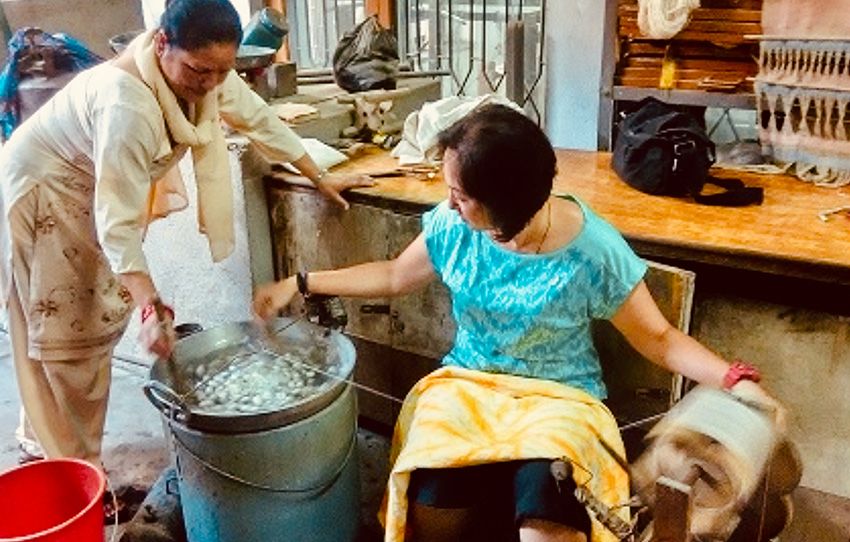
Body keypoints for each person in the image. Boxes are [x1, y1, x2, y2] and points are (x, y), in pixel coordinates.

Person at [253, 104, 784, 542]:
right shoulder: (453, 225)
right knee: (431, 515)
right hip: (468, 387)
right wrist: (301, 283)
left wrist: (731, 379)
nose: (450, 205)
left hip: (559, 400)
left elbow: (661, 339)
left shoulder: (593, 250)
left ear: (505, 206)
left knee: (546, 529)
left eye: (461, 197)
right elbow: (394, 275)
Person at [0, 0, 371, 479]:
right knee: (70, 339)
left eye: (223, 71)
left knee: (92, 317)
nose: (211, 84)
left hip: (90, 193)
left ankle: (49, 444)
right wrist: (151, 310)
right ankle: (76, 476)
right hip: (48, 193)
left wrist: (319, 176)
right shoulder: (127, 103)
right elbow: (118, 224)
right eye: (200, 70)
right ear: (161, 44)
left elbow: (258, 118)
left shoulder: (205, 77)